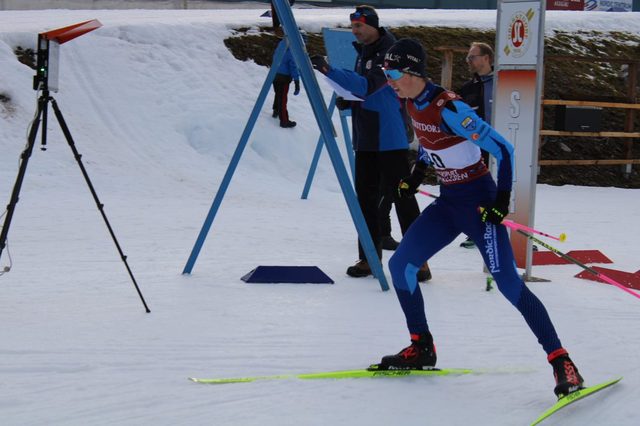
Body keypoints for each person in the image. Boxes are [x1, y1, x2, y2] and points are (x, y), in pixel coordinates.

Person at [375, 38, 584, 398]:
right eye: (385, 72)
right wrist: (415, 176)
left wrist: (501, 200)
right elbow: (429, 142)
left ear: (412, 71)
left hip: (479, 205)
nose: (388, 79)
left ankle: (563, 363)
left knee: (508, 284)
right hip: (449, 203)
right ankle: (421, 345)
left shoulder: (450, 107)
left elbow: (503, 148)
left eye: (392, 72)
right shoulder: (409, 100)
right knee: (402, 266)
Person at [310, 5, 430, 281]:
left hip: (389, 137)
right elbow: (366, 92)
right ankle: (368, 258)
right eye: (353, 27)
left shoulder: (391, 53)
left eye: (359, 26)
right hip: (366, 137)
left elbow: (369, 86)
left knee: (403, 198)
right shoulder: (364, 52)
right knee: (365, 199)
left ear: (374, 25)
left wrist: (329, 70)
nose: (355, 31)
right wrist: (348, 98)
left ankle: (419, 260)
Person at [458, 42, 494, 248]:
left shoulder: (502, 83)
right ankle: (478, 230)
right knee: (479, 189)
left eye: (472, 57)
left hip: (501, 144)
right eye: (468, 57)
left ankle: (512, 231)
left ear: (486, 58)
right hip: (476, 147)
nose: (469, 61)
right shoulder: (467, 87)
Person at [271, 29, 300, 128]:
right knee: (283, 99)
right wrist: (297, 81)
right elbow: (293, 66)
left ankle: (276, 110)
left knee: (278, 94)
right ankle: (284, 121)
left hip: (275, 75)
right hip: (284, 78)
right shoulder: (291, 50)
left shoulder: (281, 44)